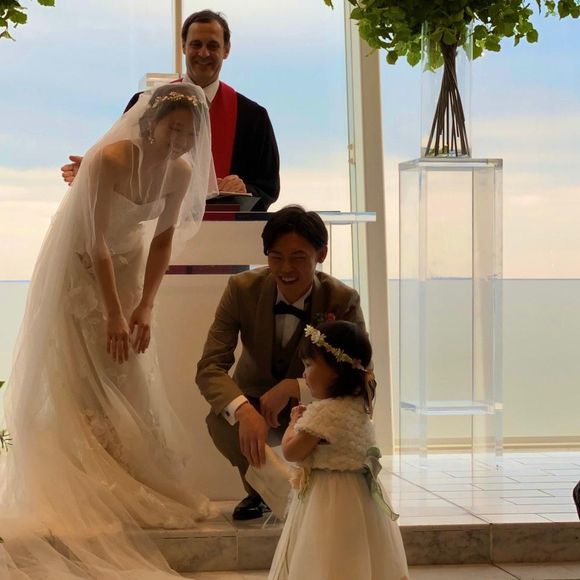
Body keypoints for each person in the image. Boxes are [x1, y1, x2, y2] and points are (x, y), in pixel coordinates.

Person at [0, 83, 216, 578]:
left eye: (189, 132)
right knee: (81, 374)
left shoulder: (180, 172)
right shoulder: (109, 160)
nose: (180, 140)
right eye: (173, 128)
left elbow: (162, 241)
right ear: (151, 124)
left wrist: (145, 305)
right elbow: (95, 242)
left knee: (125, 372)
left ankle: (123, 473)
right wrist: (115, 313)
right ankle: (84, 480)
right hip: (81, 267)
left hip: (130, 265)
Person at [196, 205, 367, 520]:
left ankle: (319, 494)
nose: (285, 268)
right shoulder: (241, 289)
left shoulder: (342, 299)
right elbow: (209, 367)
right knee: (222, 419)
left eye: (298, 257)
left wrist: (294, 387)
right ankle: (266, 494)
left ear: (321, 254)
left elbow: (363, 379)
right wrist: (245, 411)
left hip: (316, 404)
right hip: (255, 399)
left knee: (342, 416)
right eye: (276, 257)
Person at [61, 9, 280, 211]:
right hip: (153, 225)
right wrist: (95, 170)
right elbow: (123, 163)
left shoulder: (253, 117)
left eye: (213, 46)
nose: (204, 53)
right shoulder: (146, 105)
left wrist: (245, 188)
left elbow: (269, 187)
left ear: (226, 50)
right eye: (196, 44)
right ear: (183, 46)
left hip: (225, 232)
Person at [268, 321, 409, 580]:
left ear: (336, 370)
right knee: (353, 553)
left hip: (328, 496)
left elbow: (291, 452)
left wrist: (293, 424)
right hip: (359, 495)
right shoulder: (358, 406)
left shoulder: (323, 413)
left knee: (325, 553)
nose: (304, 373)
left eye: (309, 365)